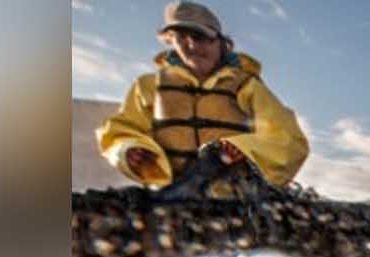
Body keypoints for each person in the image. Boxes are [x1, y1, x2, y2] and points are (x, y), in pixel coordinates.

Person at [96, 2, 309, 190]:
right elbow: (119, 133)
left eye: (200, 37)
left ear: (221, 42)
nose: (191, 46)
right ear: (170, 41)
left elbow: (289, 141)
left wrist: (245, 149)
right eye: (180, 38)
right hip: (168, 198)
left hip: (235, 198)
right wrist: (129, 150)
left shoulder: (247, 86)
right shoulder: (148, 86)